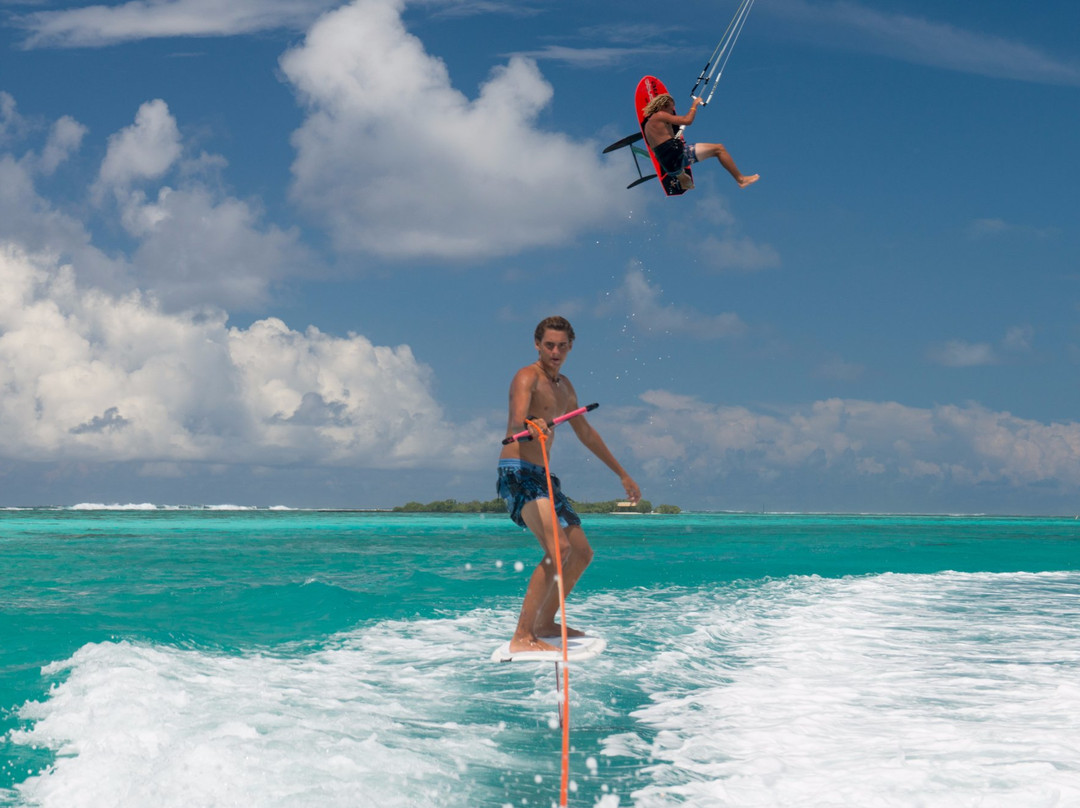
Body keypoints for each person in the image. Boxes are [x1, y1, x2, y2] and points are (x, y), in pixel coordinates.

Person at [497, 316, 641, 654]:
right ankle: (521, 637)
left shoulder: (566, 387)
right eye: (549, 344)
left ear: (570, 347)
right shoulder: (526, 376)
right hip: (518, 471)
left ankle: (545, 623)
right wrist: (532, 424)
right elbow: (519, 416)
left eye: (562, 345)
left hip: (544, 477)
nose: (555, 351)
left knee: (581, 552)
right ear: (537, 344)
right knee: (558, 549)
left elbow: (586, 434)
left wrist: (622, 473)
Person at [641, 92, 759, 191]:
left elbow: (656, 147)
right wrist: (694, 104)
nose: (672, 112)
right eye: (671, 109)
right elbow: (687, 120)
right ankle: (741, 180)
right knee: (719, 149)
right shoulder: (661, 115)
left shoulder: (648, 125)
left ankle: (683, 180)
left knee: (687, 181)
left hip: (668, 165)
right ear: (664, 106)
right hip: (677, 155)